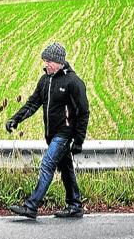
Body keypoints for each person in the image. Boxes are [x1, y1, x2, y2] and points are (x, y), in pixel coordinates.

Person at [6, 42, 89, 219]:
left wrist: (79, 141)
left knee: (47, 164)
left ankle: (31, 206)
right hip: (51, 135)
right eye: (44, 61)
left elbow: (83, 112)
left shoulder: (73, 82)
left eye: (49, 61)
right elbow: (33, 103)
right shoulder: (45, 81)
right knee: (66, 169)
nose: (46, 65)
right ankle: (75, 205)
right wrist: (16, 119)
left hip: (65, 134)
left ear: (59, 61)